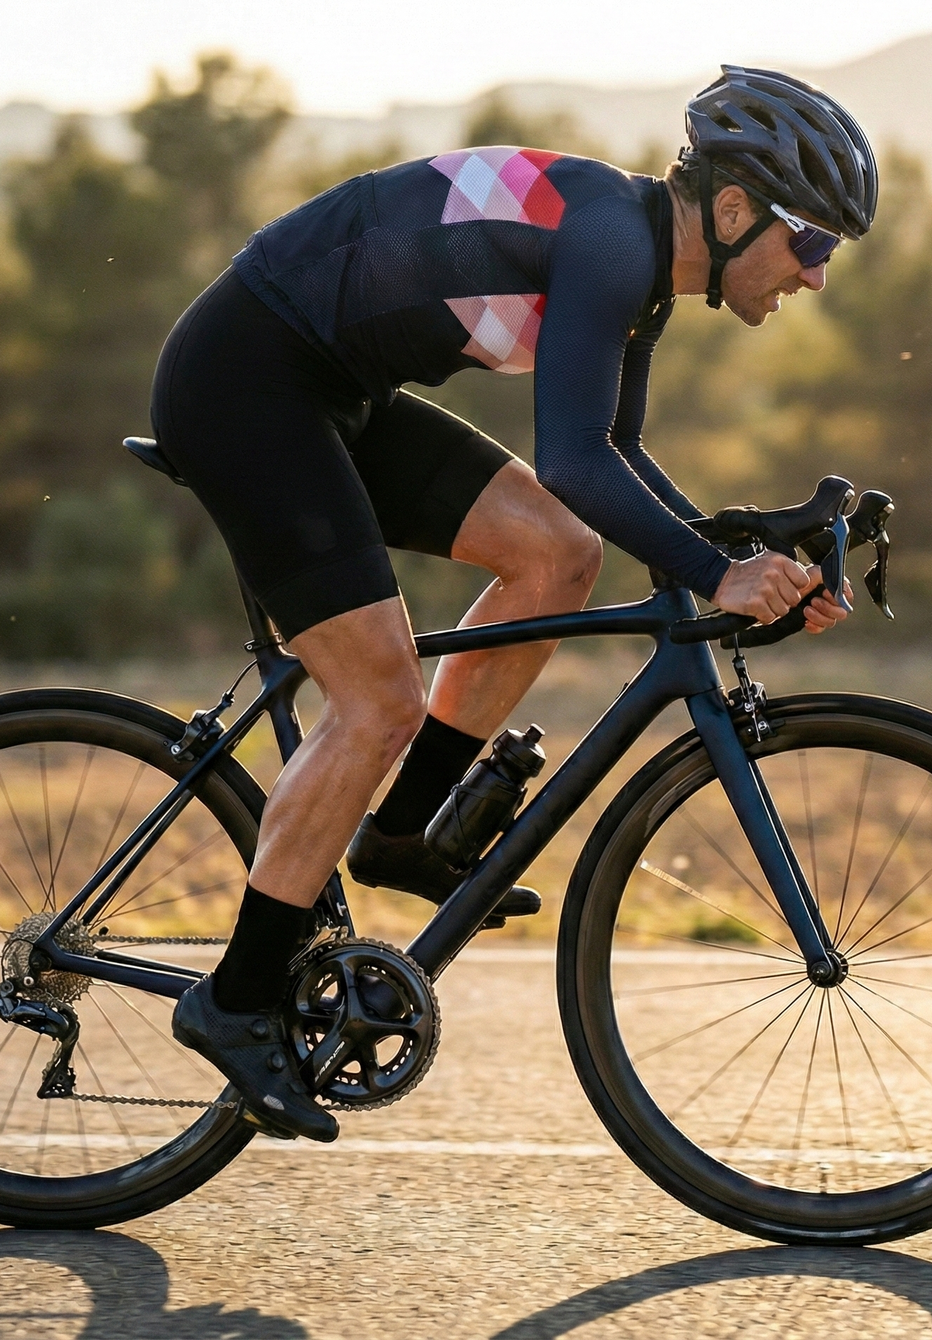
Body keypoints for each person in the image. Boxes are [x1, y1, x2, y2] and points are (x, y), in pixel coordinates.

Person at [156, 66, 879, 1140]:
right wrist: (714, 571)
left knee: (556, 554)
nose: (814, 277)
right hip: (246, 379)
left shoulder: (637, 265)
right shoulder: (611, 243)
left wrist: (744, 556)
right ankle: (235, 996)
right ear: (732, 212)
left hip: (333, 392)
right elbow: (573, 457)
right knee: (376, 700)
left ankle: (401, 836)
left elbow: (616, 458)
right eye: (810, 243)